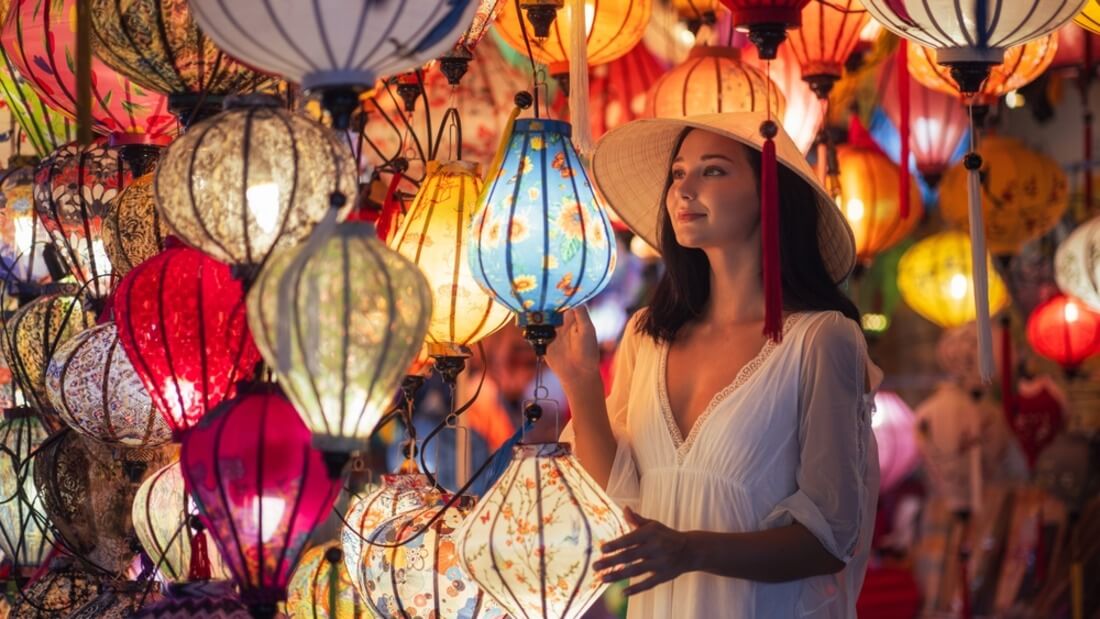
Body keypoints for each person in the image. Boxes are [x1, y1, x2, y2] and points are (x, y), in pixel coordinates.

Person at [545, 112, 882, 618]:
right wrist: (580, 382)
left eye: (714, 171)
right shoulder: (647, 334)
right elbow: (616, 501)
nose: (685, 189)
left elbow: (828, 539)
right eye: (678, 173)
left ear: (770, 195)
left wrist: (691, 549)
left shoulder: (820, 340)